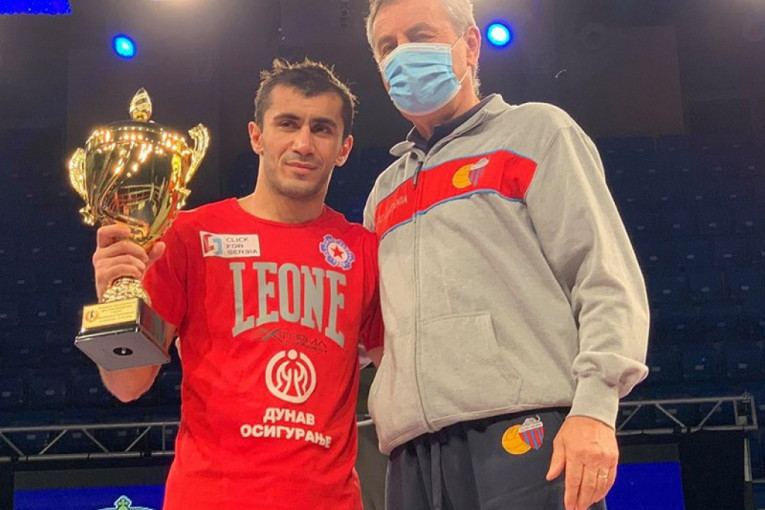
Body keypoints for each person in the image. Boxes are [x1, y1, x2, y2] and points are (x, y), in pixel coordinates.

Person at [361, 1, 650, 509]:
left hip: (524, 431)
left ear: (471, 44)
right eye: (388, 47)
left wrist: (596, 407)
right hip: (412, 455)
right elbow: (376, 334)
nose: (402, 54)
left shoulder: (537, 132)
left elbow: (604, 276)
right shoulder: (384, 192)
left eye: (420, 35)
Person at [91, 59, 383, 510]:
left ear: (344, 148)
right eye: (287, 124)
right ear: (256, 136)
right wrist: (115, 300)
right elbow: (127, 384)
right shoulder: (186, 236)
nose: (303, 144)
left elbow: (402, 376)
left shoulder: (363, 251)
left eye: (322, 129)